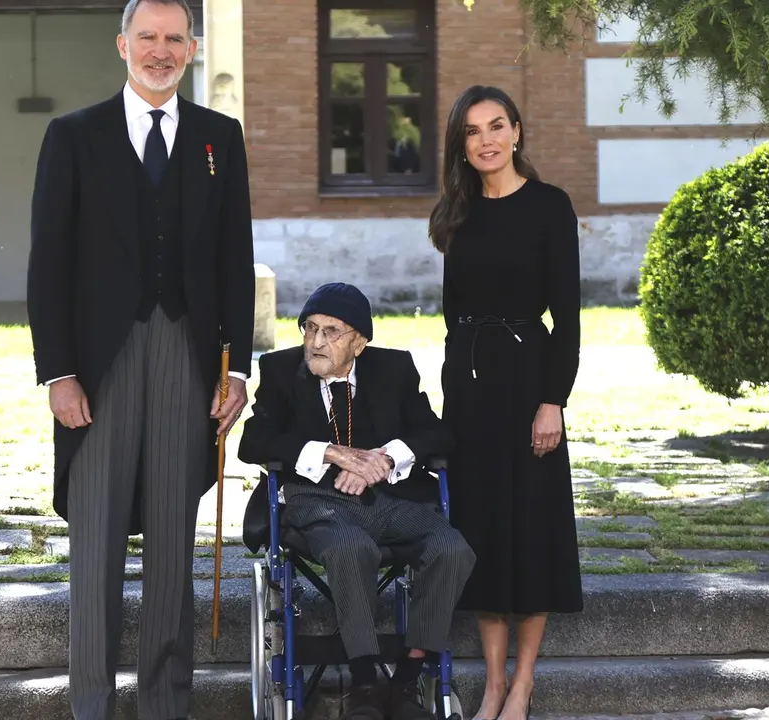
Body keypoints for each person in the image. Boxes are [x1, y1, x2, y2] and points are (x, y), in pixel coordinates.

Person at [25, 0, 255, 716]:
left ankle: (165, 704)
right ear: (122, 44)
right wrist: (58, 371)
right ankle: (90, 703)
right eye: (147, 38)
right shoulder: (73, 136)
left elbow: (235, 261)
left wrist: (238, 368)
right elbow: (48, 264)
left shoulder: (221, 138)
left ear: (192, 48)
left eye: (174, 39)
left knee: (169, 549)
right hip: (99, 365)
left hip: (187, 357)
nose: (161, 51)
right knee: (92, 545)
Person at [238, 283, 476, 720]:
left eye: (331, 332)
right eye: (309, 328)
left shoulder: (393, 368)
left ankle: (406, 679)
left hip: (389, 499)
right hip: (315, 502)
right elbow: (254, 440)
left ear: (359, 342)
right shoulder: (280, 370)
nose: (315, 342)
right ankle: (366, 682)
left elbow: (437, 433)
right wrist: (330, 452)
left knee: (452, 548)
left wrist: (385, 457)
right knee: (351, 548)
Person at [427, 85, 583, 720]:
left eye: (497, 126)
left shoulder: (550, 207)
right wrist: (450, 394)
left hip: (527, 382)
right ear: (461, 146)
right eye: (472, 131)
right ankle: (492, 685)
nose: (486, 140)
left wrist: (553, 401)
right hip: (469, 390)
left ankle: (523, 686)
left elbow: (568, 317)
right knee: (483, 532)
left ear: (517, 131)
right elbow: (449, 314)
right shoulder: (456, 211)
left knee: (533, 528)